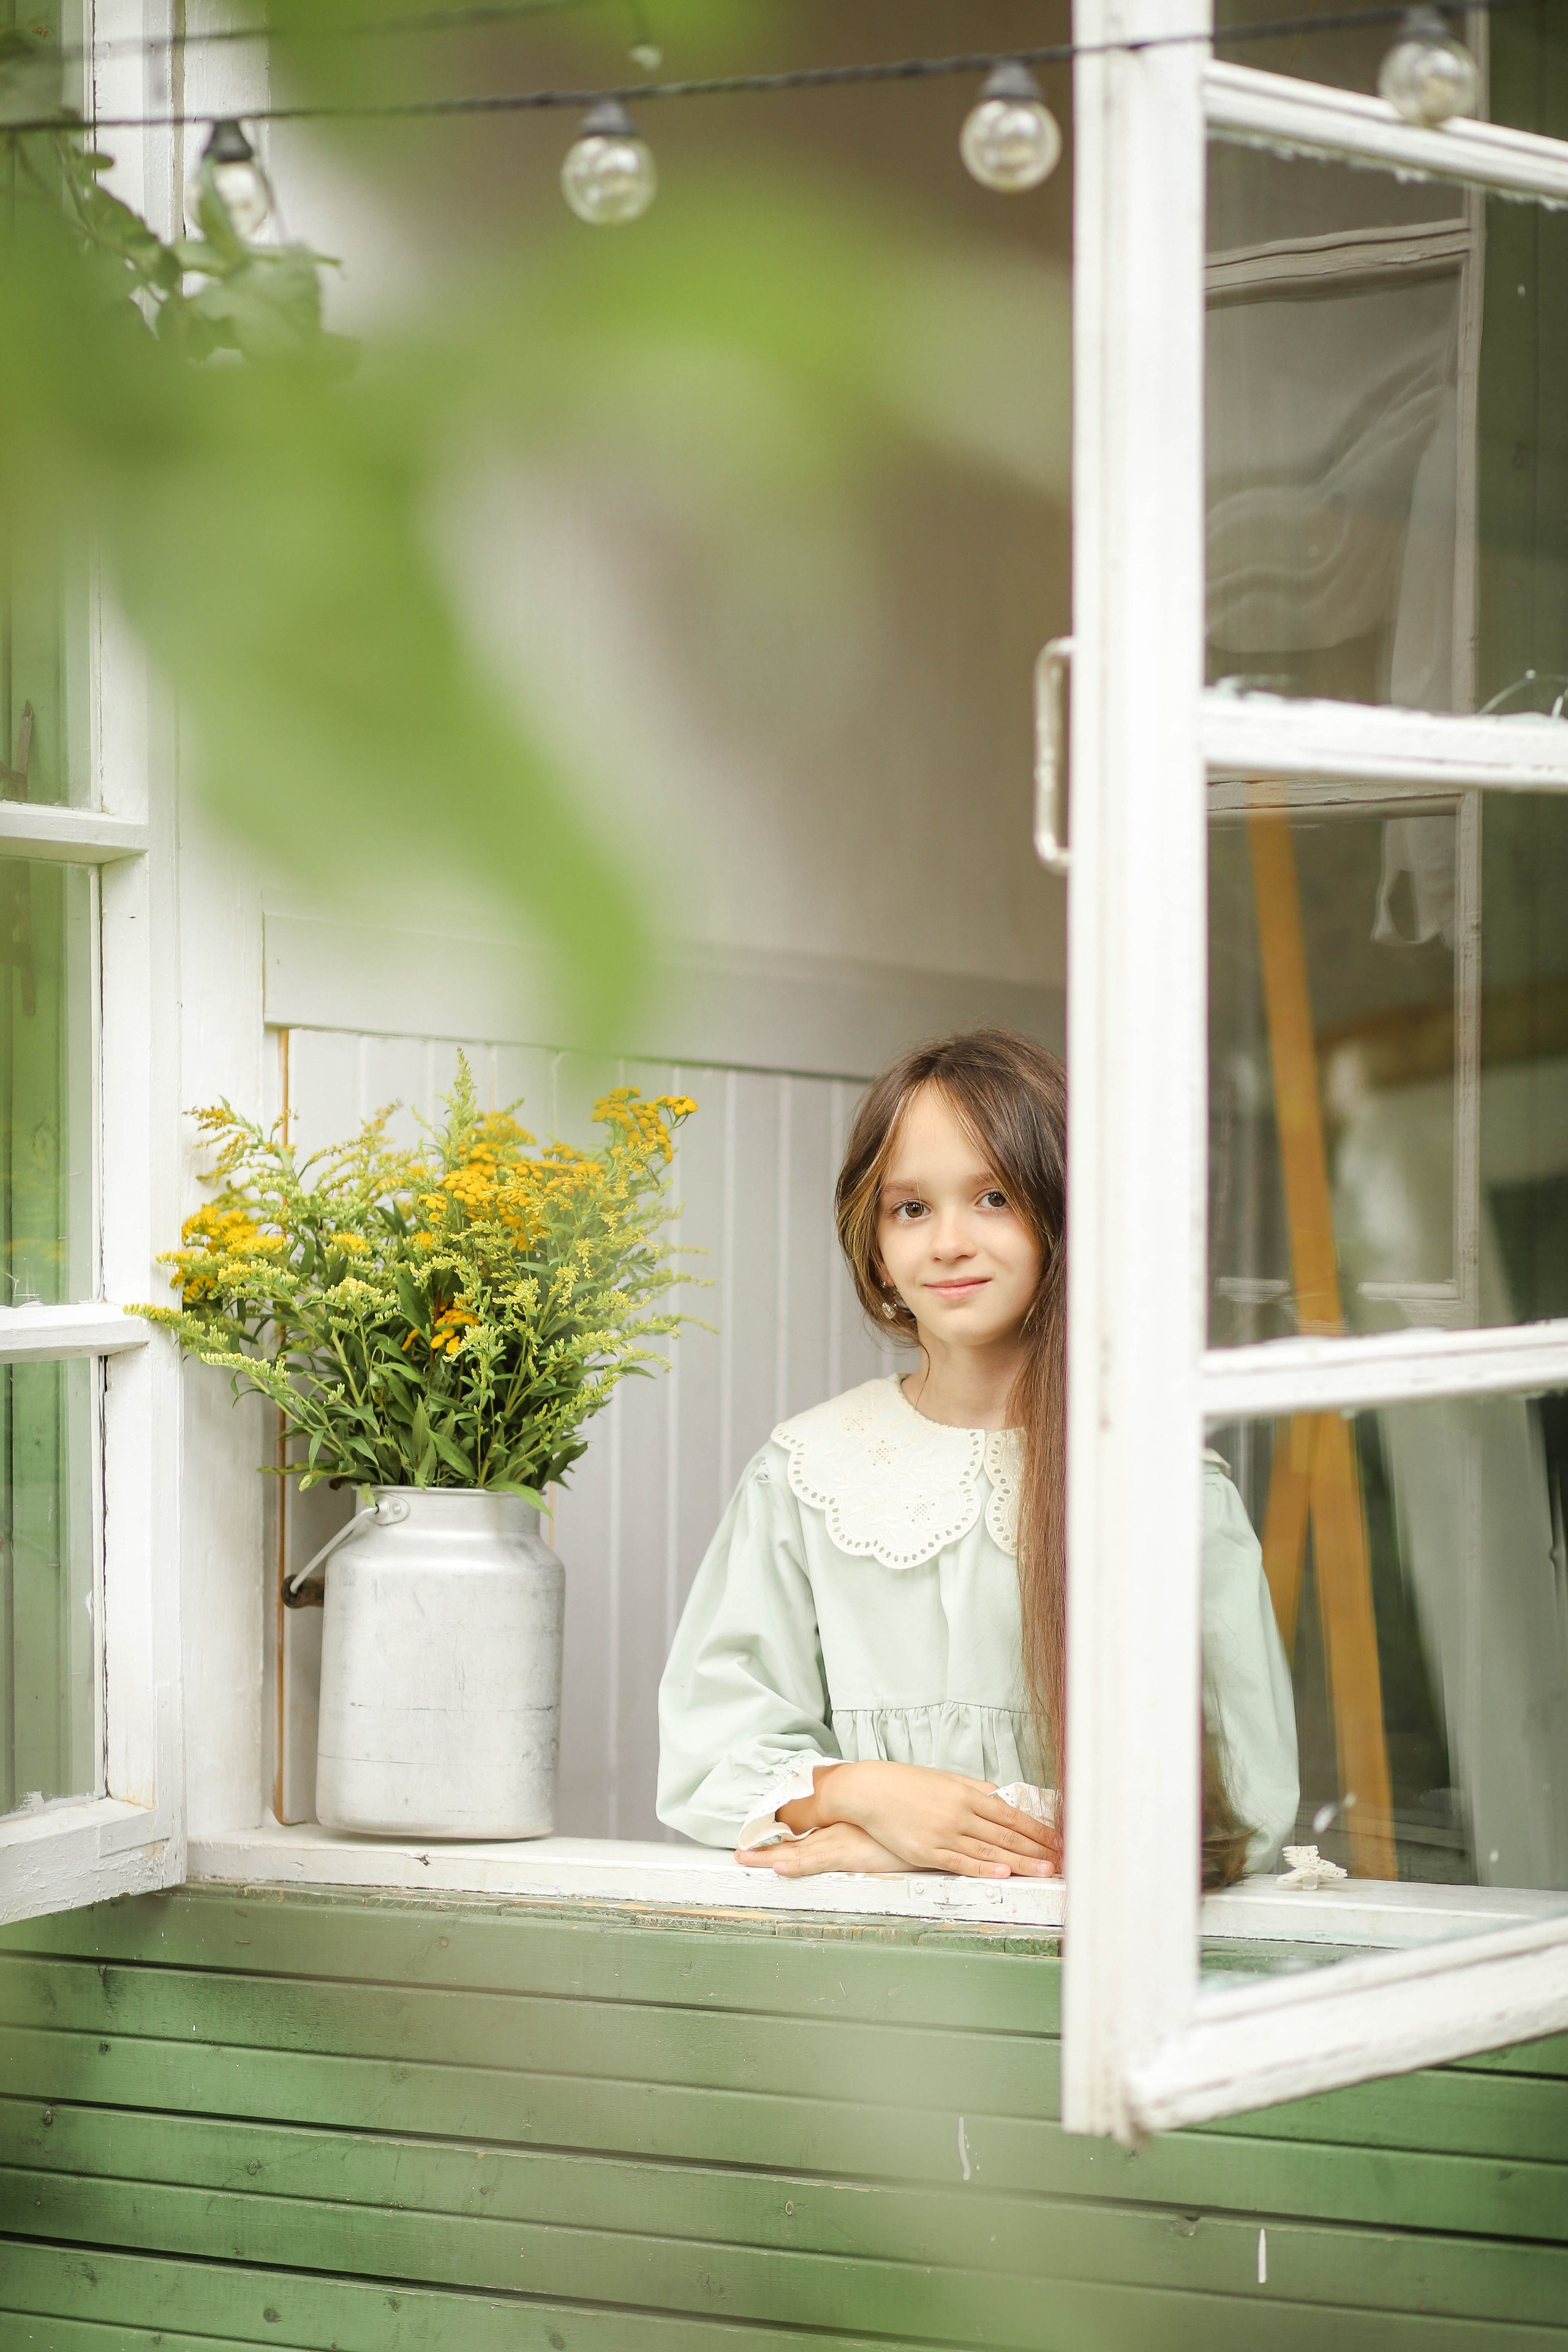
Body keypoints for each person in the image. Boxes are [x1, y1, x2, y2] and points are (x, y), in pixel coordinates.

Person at [657, 1027, 1298, 1885]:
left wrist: (914, 1850)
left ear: (1062, 1220)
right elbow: (710, 1755)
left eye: (993, 1197)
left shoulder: (1159, 1487)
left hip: (1086, 1978)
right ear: (875, 1247)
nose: (949, 1241)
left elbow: (1243, 1803)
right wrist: (871, 1792)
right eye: (910, 1207)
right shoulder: (806, 1471)